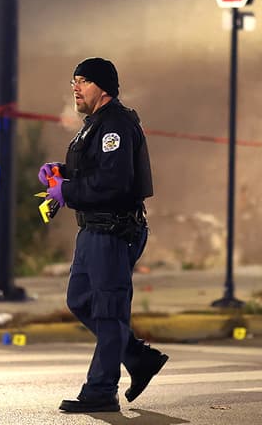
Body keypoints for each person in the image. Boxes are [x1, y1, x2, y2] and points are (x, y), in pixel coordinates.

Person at [39, 57, 168, 413]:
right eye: (73, 81)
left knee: (109, 312)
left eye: (82, 81)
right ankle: (138, 358)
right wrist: (60, 172)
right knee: (80, 300)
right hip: (93, 230)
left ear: (103, 86)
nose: (75, 88)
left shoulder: (116, 126)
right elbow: (93, 168)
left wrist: (69, 192)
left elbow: (113, 182)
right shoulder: (94, 126)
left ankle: (100, 391)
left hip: (113, 231)